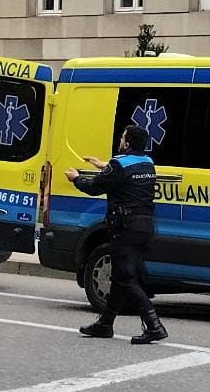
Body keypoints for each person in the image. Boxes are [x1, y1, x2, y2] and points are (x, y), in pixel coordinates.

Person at [70, 124, 166, 344]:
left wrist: (75, 178)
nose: (120, 140)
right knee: (120, 276)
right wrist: (103, 165)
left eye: (123, 138)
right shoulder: (148, 163)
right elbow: (124, 175)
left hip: (125, 229)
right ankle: (105, 324)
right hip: (145, 228)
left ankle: (154, 325)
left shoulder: (119, 164)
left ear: (128, 143)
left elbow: (94, 186)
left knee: (126, 278)